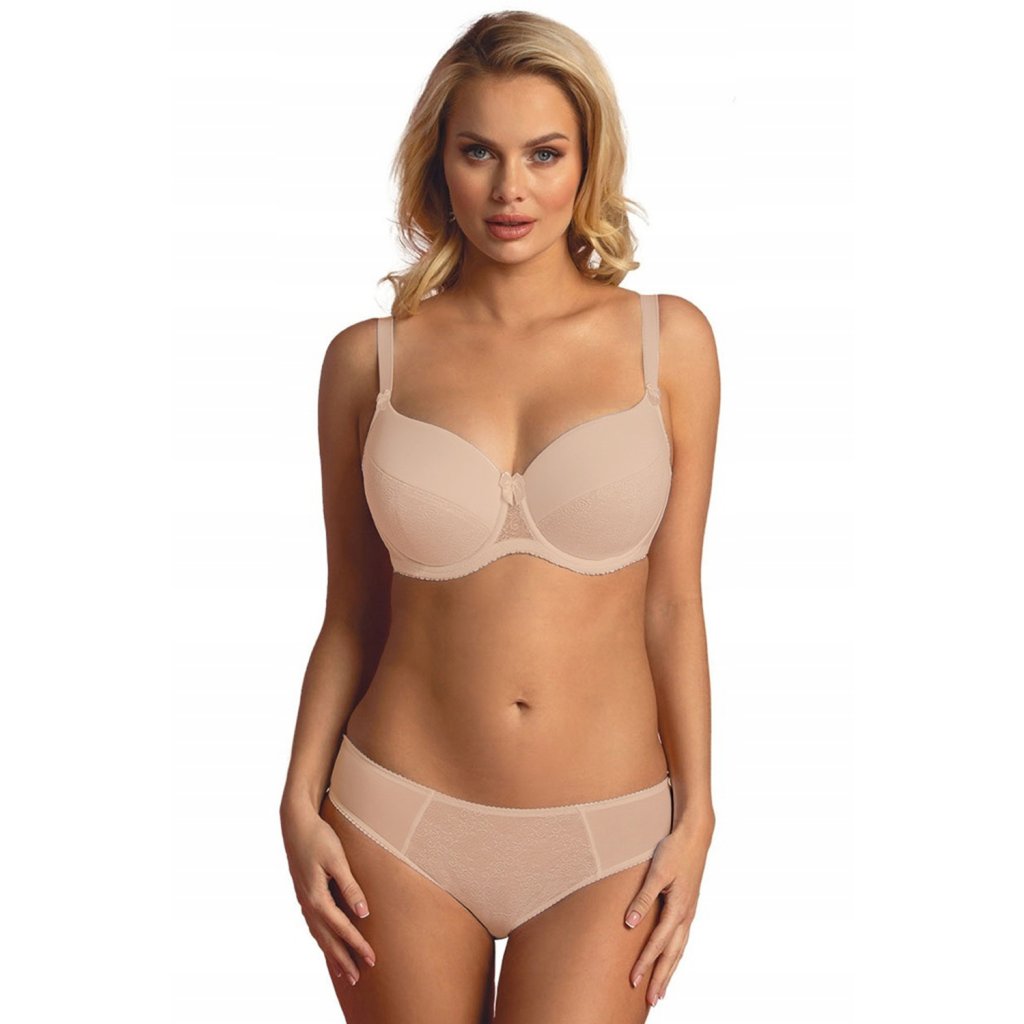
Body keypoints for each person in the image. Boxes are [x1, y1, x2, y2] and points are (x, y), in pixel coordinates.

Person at [279, 11, 719, 1023]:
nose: (509, 189)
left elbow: (673, 604)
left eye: (543, 153)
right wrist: (297, 802)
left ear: (588, 160)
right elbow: (350, 612)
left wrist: (698, 816)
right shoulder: (368, 361)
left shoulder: (671, 344)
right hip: (396, 816)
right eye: (478, 151)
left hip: (608, 836)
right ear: (439, 164)